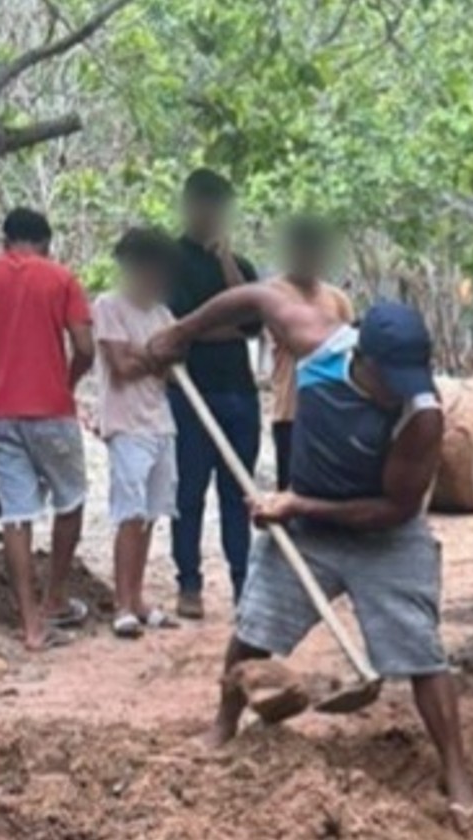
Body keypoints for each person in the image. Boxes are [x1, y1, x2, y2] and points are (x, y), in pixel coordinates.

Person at [146, 286, 473, 824]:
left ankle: (455, 770)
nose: (403, 391)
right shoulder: (317, 343)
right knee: (252, 631)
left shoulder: (422, 415)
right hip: (305, 528)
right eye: (392, 381)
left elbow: (394, 508)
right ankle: (223, 725)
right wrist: (181, 334)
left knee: (421, 651)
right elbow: (255, 297)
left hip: (385, 535)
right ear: (363, 359)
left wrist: (298, 503)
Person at [0, 208, 94, 651]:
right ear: (45, 242)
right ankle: (55, 598)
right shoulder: (61, 279)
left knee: (16, 515)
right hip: (52, 411)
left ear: (4, 240)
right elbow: (85, 346)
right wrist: (68, 381)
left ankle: (31, 626)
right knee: (71, 500)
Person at [168, 168, 262, 617]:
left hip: (239, 394)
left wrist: (226, 263)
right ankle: (189, 584)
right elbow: (178, 329)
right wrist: (225, 326)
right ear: (190, 206)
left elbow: (255, 321)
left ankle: (244, 584)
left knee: (239, 493)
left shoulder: (240, 266)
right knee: (188, 493)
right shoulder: (169, 263)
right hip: (189, 394)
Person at [93, 228, 184, 638]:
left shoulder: (163, 315)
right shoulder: (108, 306)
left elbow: (174, 368)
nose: (156, 277)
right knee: (129, 514)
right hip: (126, 424)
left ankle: (138, 597)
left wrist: (142, 354)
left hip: (161, 423)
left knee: (150, 514)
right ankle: (122, 604)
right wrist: (151, 355)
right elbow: (121, 368)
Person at [265, 215, 355, 490]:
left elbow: (349, 352)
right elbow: (294, 339)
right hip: (291, 411)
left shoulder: (337, 299)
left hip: (332, 412)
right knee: (290, 493)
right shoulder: (271, 294)